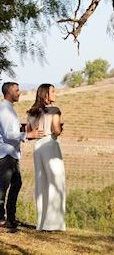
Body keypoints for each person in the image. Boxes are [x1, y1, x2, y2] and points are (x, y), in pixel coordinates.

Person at [0, 82, 43, 230]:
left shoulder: (9, 109)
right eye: (17, 90)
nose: (20, 92)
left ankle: (11, 217)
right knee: (2, 188)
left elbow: (12, 130)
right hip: (5, 155)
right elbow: (8, 134)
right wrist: (27, 134)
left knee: (16, 184)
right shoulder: (5, 110)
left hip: (12, 154)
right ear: (8, 92)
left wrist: (23, 130)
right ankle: (1, 219)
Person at [27, 83, 66, 231]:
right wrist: (60, 129)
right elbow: (56, 130)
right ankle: (54, 224)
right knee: (56, 182)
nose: (55, 94)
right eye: (53, 91)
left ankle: (41, 223)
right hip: (50, 145)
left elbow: (30, 133)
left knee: (41, 183)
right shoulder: (55, 110)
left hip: (38, 146)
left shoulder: (32, 112)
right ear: (46, 95)